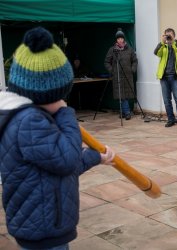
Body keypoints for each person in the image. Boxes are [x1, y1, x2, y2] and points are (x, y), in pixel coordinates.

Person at [0, 27, 115, 250]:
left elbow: (60, 165)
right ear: (46, 95)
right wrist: (66, 113)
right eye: (62, 95)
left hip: (44, 221)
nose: (64, 100)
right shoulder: (30, 123)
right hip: (43, 227)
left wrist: (96, 157)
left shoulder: (32, 118)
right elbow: (67, 159)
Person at [154, 28, 177, 129]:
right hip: (164, 77)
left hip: (175, 77)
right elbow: (156, 53)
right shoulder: (163, 46)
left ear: (174, 35)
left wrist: (173, 43)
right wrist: (162, 42)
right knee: (167, 100)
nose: (168, 37)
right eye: (166, 35)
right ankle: (170, 120)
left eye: (170, 35)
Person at [104, 28, 138, 120]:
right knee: (121, 96)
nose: (120, 40)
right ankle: (127, 113)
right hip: (117, 76)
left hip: (128, 75)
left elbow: (135, 61)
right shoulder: (112, 50)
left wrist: (132, 69)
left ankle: (123, 112)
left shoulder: (130, 50)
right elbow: (107, 62)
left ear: (124, 39)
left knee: (125, 96)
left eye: (121, 38)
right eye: (118, 38)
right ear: (116, 40)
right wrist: (112, 70)